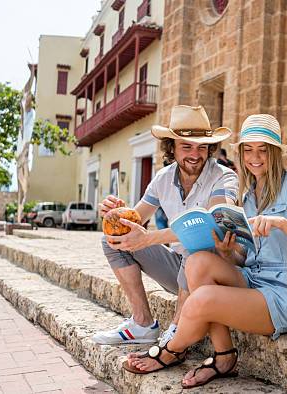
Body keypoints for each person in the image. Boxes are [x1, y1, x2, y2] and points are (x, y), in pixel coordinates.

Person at [123, 114, 287, 389]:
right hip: (254, 281)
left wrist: (283, 223)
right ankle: (224, 355)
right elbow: (243, 257)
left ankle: (170, 351)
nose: (255, 157)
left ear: (275, 153)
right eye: (248, 150)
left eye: (263, 150)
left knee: (201, 299)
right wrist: (228, 252)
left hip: (286, 294)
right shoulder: (246, 195)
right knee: (197, 262)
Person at [92, 105, 238, 347]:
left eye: (202, 147)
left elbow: (213, 225)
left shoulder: (224, 176)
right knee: (114, 240)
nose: (195, 154)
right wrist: (115, 213)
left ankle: (177, 330)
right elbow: (134, 219)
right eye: (187, 146)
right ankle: (142, 324)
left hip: (214, 272)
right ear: (172, 147)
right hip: (178, 270)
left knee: (197, 243)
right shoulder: (162, 178)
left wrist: (149, 238)